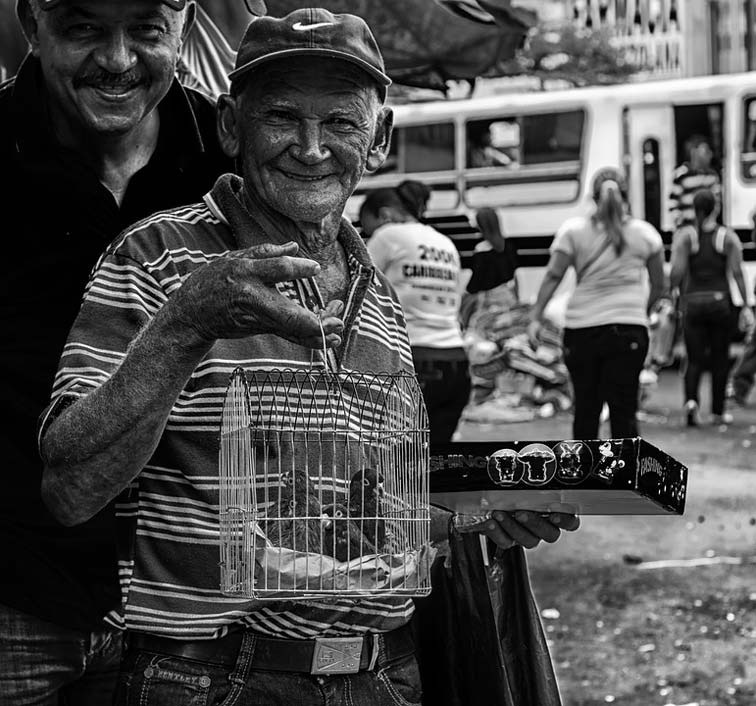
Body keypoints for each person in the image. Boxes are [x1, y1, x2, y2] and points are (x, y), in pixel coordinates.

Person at [37, 10, 580, 704]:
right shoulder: (155, 259)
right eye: (283, 117)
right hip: (213, 680)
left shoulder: (378, 296)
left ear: (378, 139)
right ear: (231, 126)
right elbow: (69, 488)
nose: (312, 147)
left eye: (341, 124)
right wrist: (185, 324)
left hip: (382, 677)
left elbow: (362, 522)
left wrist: (479, 520)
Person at [0, 0, 233, 702]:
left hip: (187, 605)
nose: (119, 61)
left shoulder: (228, 158)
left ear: (184, 22)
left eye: (146, 31)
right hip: (16, 589)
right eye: (84, 29)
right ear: (31, 20)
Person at [527, 167, 666, 440]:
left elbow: (554, 275)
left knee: (587, 410)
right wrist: (640, 312)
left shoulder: (574, 232)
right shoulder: (646, 234)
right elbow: (660, 285)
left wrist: (535, 317)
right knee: (623, 410)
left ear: (592, 197)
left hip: (582, 330)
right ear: (626, 197)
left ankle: (584, 477)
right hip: (629, 331)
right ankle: (623, 477)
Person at [361, 182, 470, 445]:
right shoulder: (445, 244)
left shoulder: (388, 236)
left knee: (400, 467)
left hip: (413, 362)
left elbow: (357, 287)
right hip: (457, 363)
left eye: (367, 228)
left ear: (385, 215)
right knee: (439, 465)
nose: (367, 235)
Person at [669, 188, 754, 426]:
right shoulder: (726, 237)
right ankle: (717, 411)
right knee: (719, 358)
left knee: (693, 358)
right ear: (715, 208)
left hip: (693, 305)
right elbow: (737, 272)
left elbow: (676, 271)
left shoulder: (687, 237)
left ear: (694, 209)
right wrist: (746, 304)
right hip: (719, 305)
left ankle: (691, 403)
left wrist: (671, 294)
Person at [669, 134, 721, 229]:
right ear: (694, 152)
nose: (710, 155)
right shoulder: (682, 173)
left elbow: (716, 203)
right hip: (685, 227)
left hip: (706, 228)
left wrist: (709, 224)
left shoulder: (712, 175)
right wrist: (679, 224)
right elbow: (673, 203)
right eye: (705, 151)